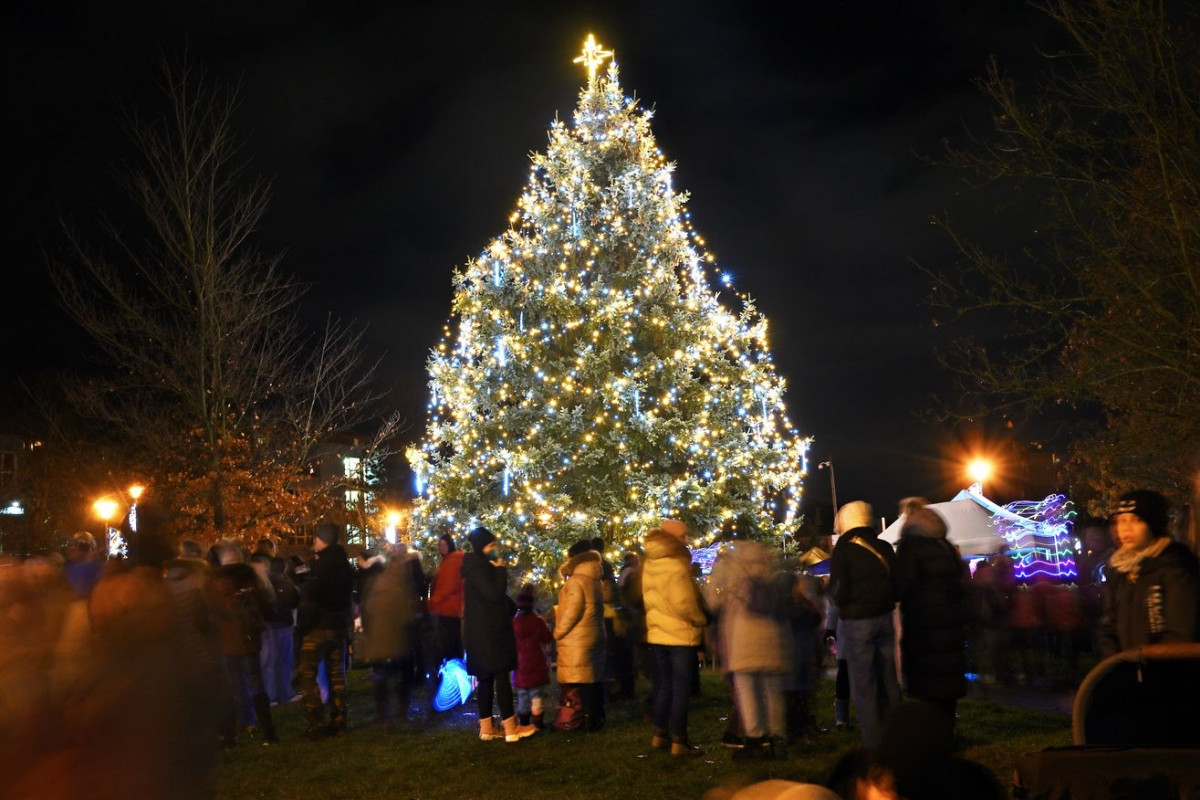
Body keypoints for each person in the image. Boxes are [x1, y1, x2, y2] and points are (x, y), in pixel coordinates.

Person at [705, 538, 789, 759]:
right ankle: (777, 739)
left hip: (742, 634)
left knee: (747, 689)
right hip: (769, 634)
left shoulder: (728, 565)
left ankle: (755, 739)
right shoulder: (765, 561)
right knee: (772, 689)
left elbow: (712, 601)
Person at [828, 500, 899, 749]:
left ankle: (874, 742)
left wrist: (844, 603)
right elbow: (897, 584)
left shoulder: (844, 549)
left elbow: (838, 590)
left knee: (864, 683)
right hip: (885, 617)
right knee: (888, 678)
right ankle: (896, 734)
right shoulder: (884, 546)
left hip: (857, 621)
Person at [1099, 490, 1200, 655]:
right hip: (1128, 667)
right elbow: (1109, 625)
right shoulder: (1118, 568)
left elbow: (1182, 631)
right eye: (1121, 520)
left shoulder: (1175, 565)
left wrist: (1146, 660)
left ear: (1153, 524)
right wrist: (1116, 662)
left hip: (1168, 666)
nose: (1126, 528)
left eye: (1136, 520)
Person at [894, 505, 968, 728]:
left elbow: (900, 585)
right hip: (950, 626)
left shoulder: (910, 547)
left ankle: (932, 735)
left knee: (928, 687)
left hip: (923, 627)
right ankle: (948, 731)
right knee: (946, 684)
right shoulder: (945, 546)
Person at [461, 526, 537, 742]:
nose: (495, 549)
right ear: (482, 547)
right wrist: (501, 569)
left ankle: (486, 729)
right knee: (501, 676)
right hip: (491, 633)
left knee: (485, 678)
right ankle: (511, 729)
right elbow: (494, 594)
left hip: (481, 633)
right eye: (491, 545)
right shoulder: (480, 568)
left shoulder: (475, 567)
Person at [643, 518, 708, 756]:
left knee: (665, 685)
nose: (686, 541)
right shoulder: (675, 564)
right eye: (682, 536)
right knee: (681, 688)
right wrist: (700, 619)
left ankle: (659, 734)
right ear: (670, 538)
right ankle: (679, 740)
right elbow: (683, 603)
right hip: (680, 634)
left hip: (658, 633)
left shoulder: (651, 562)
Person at [207, 542, 278, 746]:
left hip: (225, 639)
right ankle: (269, 733)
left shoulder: (214, 581)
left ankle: (229, 736)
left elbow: (207, 610)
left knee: (230, 687)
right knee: (256, 683)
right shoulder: (251, 578)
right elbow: (266, 604)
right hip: (249, 637)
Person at [295, 522, 355, 739]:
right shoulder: (345, 566)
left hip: (318, 627)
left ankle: (316, 722)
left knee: (306, 674)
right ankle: (339, 719)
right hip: (338, 626)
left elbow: (311, 600)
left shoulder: (320, 568)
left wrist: (303, 627)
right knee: (336, 674)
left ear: (321, 540)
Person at [358, 543, 416, 727]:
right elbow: (407, 616)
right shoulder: (403, 587)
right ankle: (401, 711)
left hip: (381, 638)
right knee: (404, 675)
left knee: (383, 677)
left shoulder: (378, 582)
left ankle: (384, 714)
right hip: (398, 638)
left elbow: (368, 607)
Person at [555, 540, 607, 731]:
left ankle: (586, 720)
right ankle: (596, 716)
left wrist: (559, 631)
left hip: (578, 637)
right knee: (592, 678)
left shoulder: (576, 581)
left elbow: (573, 611)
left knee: (583, 681)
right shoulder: (595, 579)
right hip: (593, 632)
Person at [513, 585, 552, 728]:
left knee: (522, 693)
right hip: (536, 661)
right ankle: (538, 720)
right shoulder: (538, 621)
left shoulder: (514, 623)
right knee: (536, 693)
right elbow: (547, 638)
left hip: (520, 663)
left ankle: (524, 721)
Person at [428, 532, 465, 664]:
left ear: (450, 545)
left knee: (450, 643)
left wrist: (434, 601)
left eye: (444, 544)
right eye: (440, 545)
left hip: (449, 608)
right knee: (451, 642)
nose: (442, 547)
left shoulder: (452, 561)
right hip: (448, 608)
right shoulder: (447, 560)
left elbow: (449, 584)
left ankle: (453, 667)